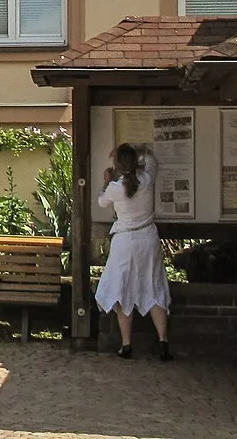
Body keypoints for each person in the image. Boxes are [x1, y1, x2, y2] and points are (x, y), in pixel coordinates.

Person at [97, 141, 171, 359]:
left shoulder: (115, 188)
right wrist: (140, 149)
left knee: (122, 290)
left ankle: (127, 344)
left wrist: (107, 181)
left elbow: (101, 202)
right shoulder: (147, 179)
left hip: (125, 241)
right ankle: (163, 341)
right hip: (147, 237)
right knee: (154, 286)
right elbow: (151, 160)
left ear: (118, 165)